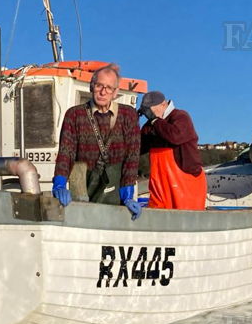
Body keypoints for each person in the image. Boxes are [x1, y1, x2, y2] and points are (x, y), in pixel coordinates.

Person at [52, 63, 142, 219]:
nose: (103, 91)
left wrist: (127, 193)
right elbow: (66, 153)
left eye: (109, 88)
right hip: (83, 185)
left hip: (116, 187)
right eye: (99, 85)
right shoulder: (74, 115)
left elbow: (132, 157)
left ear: (115, 93)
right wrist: (59, 182)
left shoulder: (129, 115)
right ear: (92, 87)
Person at [139, 90, 207, 210]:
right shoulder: (150, 126)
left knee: (187, 220)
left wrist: (155, 120)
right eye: (147, 111)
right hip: (160, 186)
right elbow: (138, 147)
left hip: (186, 183)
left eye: (151, 110)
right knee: (157, 216)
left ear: (163, 104)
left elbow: (175, 137)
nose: (150, 114)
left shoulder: (181, 116)